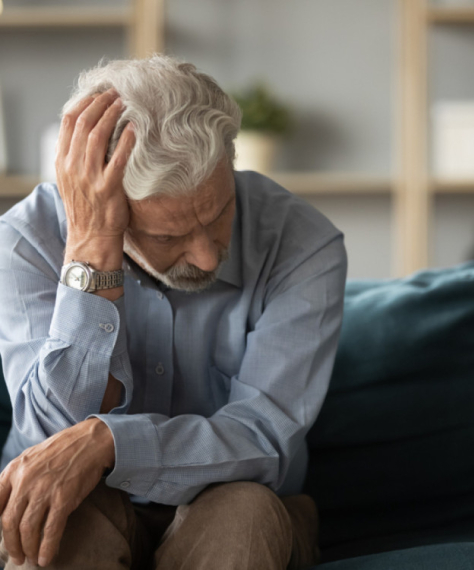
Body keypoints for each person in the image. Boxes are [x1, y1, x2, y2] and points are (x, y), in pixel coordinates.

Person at [0, 55, 347, 569]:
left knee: (243, 516)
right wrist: (93, 253)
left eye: (219, 212)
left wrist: (113, 443)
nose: (207, 256)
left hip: (239, 498)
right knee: (57, 528)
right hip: (82, 501)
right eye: (168, 236)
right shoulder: (26, 242)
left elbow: (265, 439)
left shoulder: (304, 243)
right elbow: (50, 441)